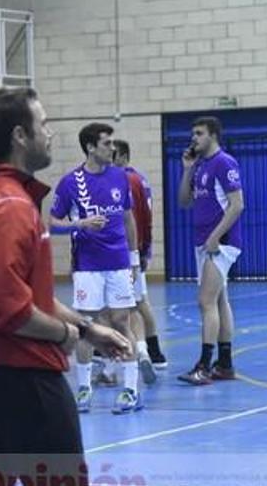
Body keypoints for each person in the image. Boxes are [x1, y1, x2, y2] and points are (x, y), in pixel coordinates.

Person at [0, 87, 131, 483]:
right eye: (45, 124)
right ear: (21, 135)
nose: (50, 134)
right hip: (25, 377)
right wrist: (67, 334)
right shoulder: (12, 209)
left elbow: (28, 295)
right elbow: (8, 308)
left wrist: (89, 329)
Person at [50, 123, 143, 415]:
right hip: (87, 265)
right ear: (90, 147)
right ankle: (83, 389)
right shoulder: (70, 183)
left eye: (112, 143)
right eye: (106, 143)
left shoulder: (120, 177)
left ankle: (130, 390)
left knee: (121, 322)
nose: (112, 148)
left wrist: (135, 260)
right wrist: (79, 224)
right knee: (86, 324)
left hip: (117, 263)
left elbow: (128, 219)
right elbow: (52, 223)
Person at [177, 116, 244, 385]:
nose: (194, 138)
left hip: (221, 241)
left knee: (205, 301)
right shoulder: (201, 165)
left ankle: (204, 366)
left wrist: (216, 237)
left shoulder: (224, 163)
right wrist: (187, 169)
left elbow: (237, 204)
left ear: (213, 135)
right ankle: (225, 364)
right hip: (204, 241)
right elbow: (184, 201)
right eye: (193, 133)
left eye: (199, 133)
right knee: (218, 300)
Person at [113, 140, 168, 371]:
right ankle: (151, 351)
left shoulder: (126, 180)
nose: (109, 159)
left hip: (129, 251)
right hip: (134, 250)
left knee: (135, 304)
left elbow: (138, 219)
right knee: (137, 302)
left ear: (124, 157)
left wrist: (140, 251)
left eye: (113, 154)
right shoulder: (141, 179)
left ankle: (148, 351)